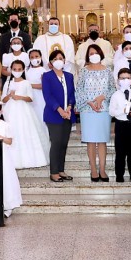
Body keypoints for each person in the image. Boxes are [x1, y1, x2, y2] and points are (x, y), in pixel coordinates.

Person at [76, 44, 116, 182]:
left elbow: (113, 89)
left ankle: (103, 170)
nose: (94, 55)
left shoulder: (108, 71)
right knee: (91, 141)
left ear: (101, 53)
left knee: (102, 141)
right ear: (88, 55)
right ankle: (93, 169)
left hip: (103, 110)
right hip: (88, 110)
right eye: (91, 53)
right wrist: (89, 102)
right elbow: (79, 89)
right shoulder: (84, 71)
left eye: (96, 52)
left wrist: (102, 97)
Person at [2, 60, 50, 169]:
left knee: (25, 131)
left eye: (19, 69)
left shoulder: (26, 83)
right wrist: (10, 95)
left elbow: (30, 98)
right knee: (12, 131)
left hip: (24, 111)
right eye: (14, 69)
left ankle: (30, 159)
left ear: (23, 70)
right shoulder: (8, 82)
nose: (17, 71)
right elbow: (3, 100)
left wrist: (20, 97)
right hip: (10, 111)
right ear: (11, 70)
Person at [42, 50, 76, 182]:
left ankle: (61, 170)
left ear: (64, 61)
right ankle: (54, 172)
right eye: (55, 58)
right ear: (51, 62)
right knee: (56, 143)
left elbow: (72, 94)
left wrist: (69, 107)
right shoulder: (47, 76)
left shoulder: (69, 76)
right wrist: (60, 110)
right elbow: (48, 96)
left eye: (61, 58)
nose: (58, 60)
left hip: (68, 114)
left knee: (63, 143)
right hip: (54, 114)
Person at [109, 68, 131, 182]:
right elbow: (111, 112)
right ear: (118, 80)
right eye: (122, 78)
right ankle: (119, 174)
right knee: (120, 152)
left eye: (128, 78)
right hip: (121, 125)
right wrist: (122, 111)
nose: (125, 80)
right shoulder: (115, 95)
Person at [26, 49, 47, 132]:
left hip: (40, 97)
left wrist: (30, 85)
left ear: (40, 57)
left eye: (36, 56)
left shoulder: (43, 70)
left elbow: (44, 86)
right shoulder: (27, 71)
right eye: (32, 57)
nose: (34, 59)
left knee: (40, 115)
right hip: (30, 97)